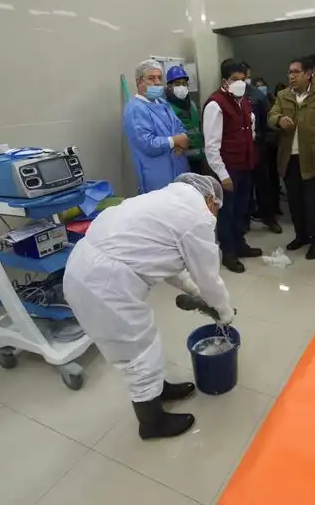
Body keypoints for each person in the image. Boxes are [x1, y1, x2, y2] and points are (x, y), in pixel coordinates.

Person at [62, 174, 234, 440]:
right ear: (211, 199)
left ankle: (157, 390)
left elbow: (163, 255)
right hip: (104, 284)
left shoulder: (164, 200)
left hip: (84, 269)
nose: (215, 215)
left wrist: (192, 289)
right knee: (138, 351)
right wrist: (224, 311)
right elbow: (208, 276)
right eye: (216, 209)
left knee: (144, 343)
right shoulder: (199, 216)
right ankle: (152, 423)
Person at [268, 57, 315, 260]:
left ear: (309, 74)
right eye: (289, 72)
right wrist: (278, 120)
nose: (291, 76)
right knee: (295, 202)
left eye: (296, 72)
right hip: (289, 160)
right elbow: (271, 115)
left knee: (314, 204)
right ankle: (301, 236)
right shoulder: (283, 96)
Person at [202, 59, 263, 272]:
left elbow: (249, 129)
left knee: (241, 209)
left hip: (245, 165)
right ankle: (228, 252)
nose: (240, 83)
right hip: (227, 169)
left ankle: (240, 244)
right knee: (226, 212)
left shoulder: (244, 101)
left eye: (244, 79)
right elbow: (211, 146)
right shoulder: (215, 104)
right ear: (225, 81)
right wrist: (223, 175)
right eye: (235, 79)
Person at [123, 59, 190, 193]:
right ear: (139, 82)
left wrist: (182, 140)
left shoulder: (163, 104)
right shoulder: (135, 109)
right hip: (157, 180)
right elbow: (147, 143)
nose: (158, 82)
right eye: (151, 78)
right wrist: (174, 141)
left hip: (179, 172)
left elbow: (180, 128)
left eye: (159, 78)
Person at [242, 64, 282, 234]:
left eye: (246, 76)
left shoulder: (257, 96)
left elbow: (268, 124)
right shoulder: (226, 97)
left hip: (258, 147)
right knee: (242, 188)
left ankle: (269, 218)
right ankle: (243, 221)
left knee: (263, 185)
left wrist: (263, 141)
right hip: (238, 150)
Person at [164, 65, 205, 175]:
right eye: (177, 84)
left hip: (199, 158)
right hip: (181, 161)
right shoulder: (166, 108)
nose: (181, 87)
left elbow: (198, 128)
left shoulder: (192, 105)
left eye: (184, 84)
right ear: (169, 86)